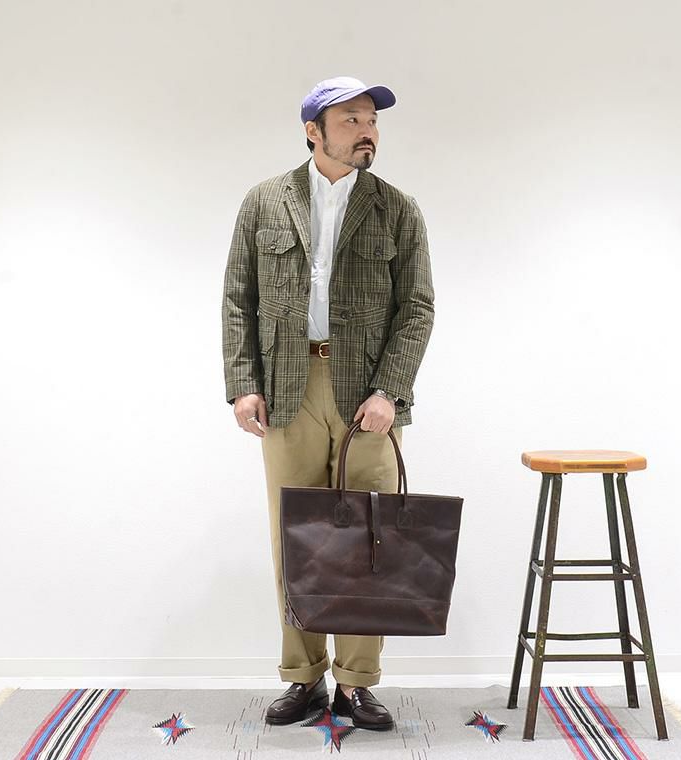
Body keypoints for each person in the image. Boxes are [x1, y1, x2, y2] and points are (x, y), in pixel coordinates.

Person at [221, 75, 435, 731]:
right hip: (287, 391)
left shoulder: (397, 208)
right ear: (313, 131)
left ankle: (357, 684)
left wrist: (389, 390)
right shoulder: (264, 202)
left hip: (368, 396)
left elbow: (417, 308)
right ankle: (304, 676)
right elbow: (238, 298)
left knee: (369, 538)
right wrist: (243, 382)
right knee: (298, 537)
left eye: (372, 120)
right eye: (352, 120)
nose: (368, 130)